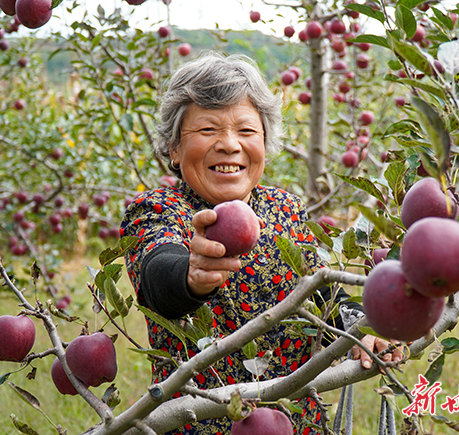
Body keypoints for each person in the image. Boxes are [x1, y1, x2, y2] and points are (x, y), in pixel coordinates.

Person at [121, 52, 402, 435]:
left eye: (246, 131)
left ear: (266, 143)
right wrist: (192, 275)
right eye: (207, 130)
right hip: (201, 424)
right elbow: (159, 278)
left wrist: (360, 327)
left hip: (296, 422)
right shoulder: (158, 209)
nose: (229, 144)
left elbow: (323, 294)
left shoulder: (284, 209)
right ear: (173, 148)